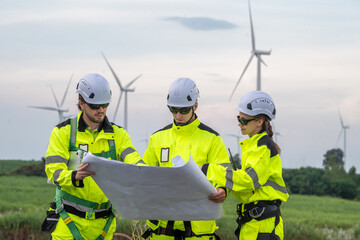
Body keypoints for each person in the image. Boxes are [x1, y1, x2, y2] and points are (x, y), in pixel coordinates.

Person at [42, 73, 142, 240]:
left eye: (105, 105)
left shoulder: (119, 135)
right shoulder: (63, 132)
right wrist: (74, 176)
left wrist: (145, 171)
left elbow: (134, 160)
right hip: (68, 224)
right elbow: (54, 172)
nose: (101, 110)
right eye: (95, 106)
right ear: (81, 103)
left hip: (103, 226)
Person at [141, 77, 231, 240]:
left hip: (198, 230)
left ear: (195, 106)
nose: (178, 115)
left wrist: (223, 190)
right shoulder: (157, 138)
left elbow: (224, 174)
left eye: (183, 110)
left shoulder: (212, 139)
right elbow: (143, 175)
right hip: (163, 230)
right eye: (173, 110)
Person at [204, 91, 289, 240]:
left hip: (263, 226)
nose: (239, 124)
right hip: (253, 223)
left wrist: (209, 170)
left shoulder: (263, 148)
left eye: (244, 120)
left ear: (259, 121)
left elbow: (248, 180)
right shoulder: (253, 147)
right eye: (239, 118)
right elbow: (246, 188)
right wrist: (227, 186)